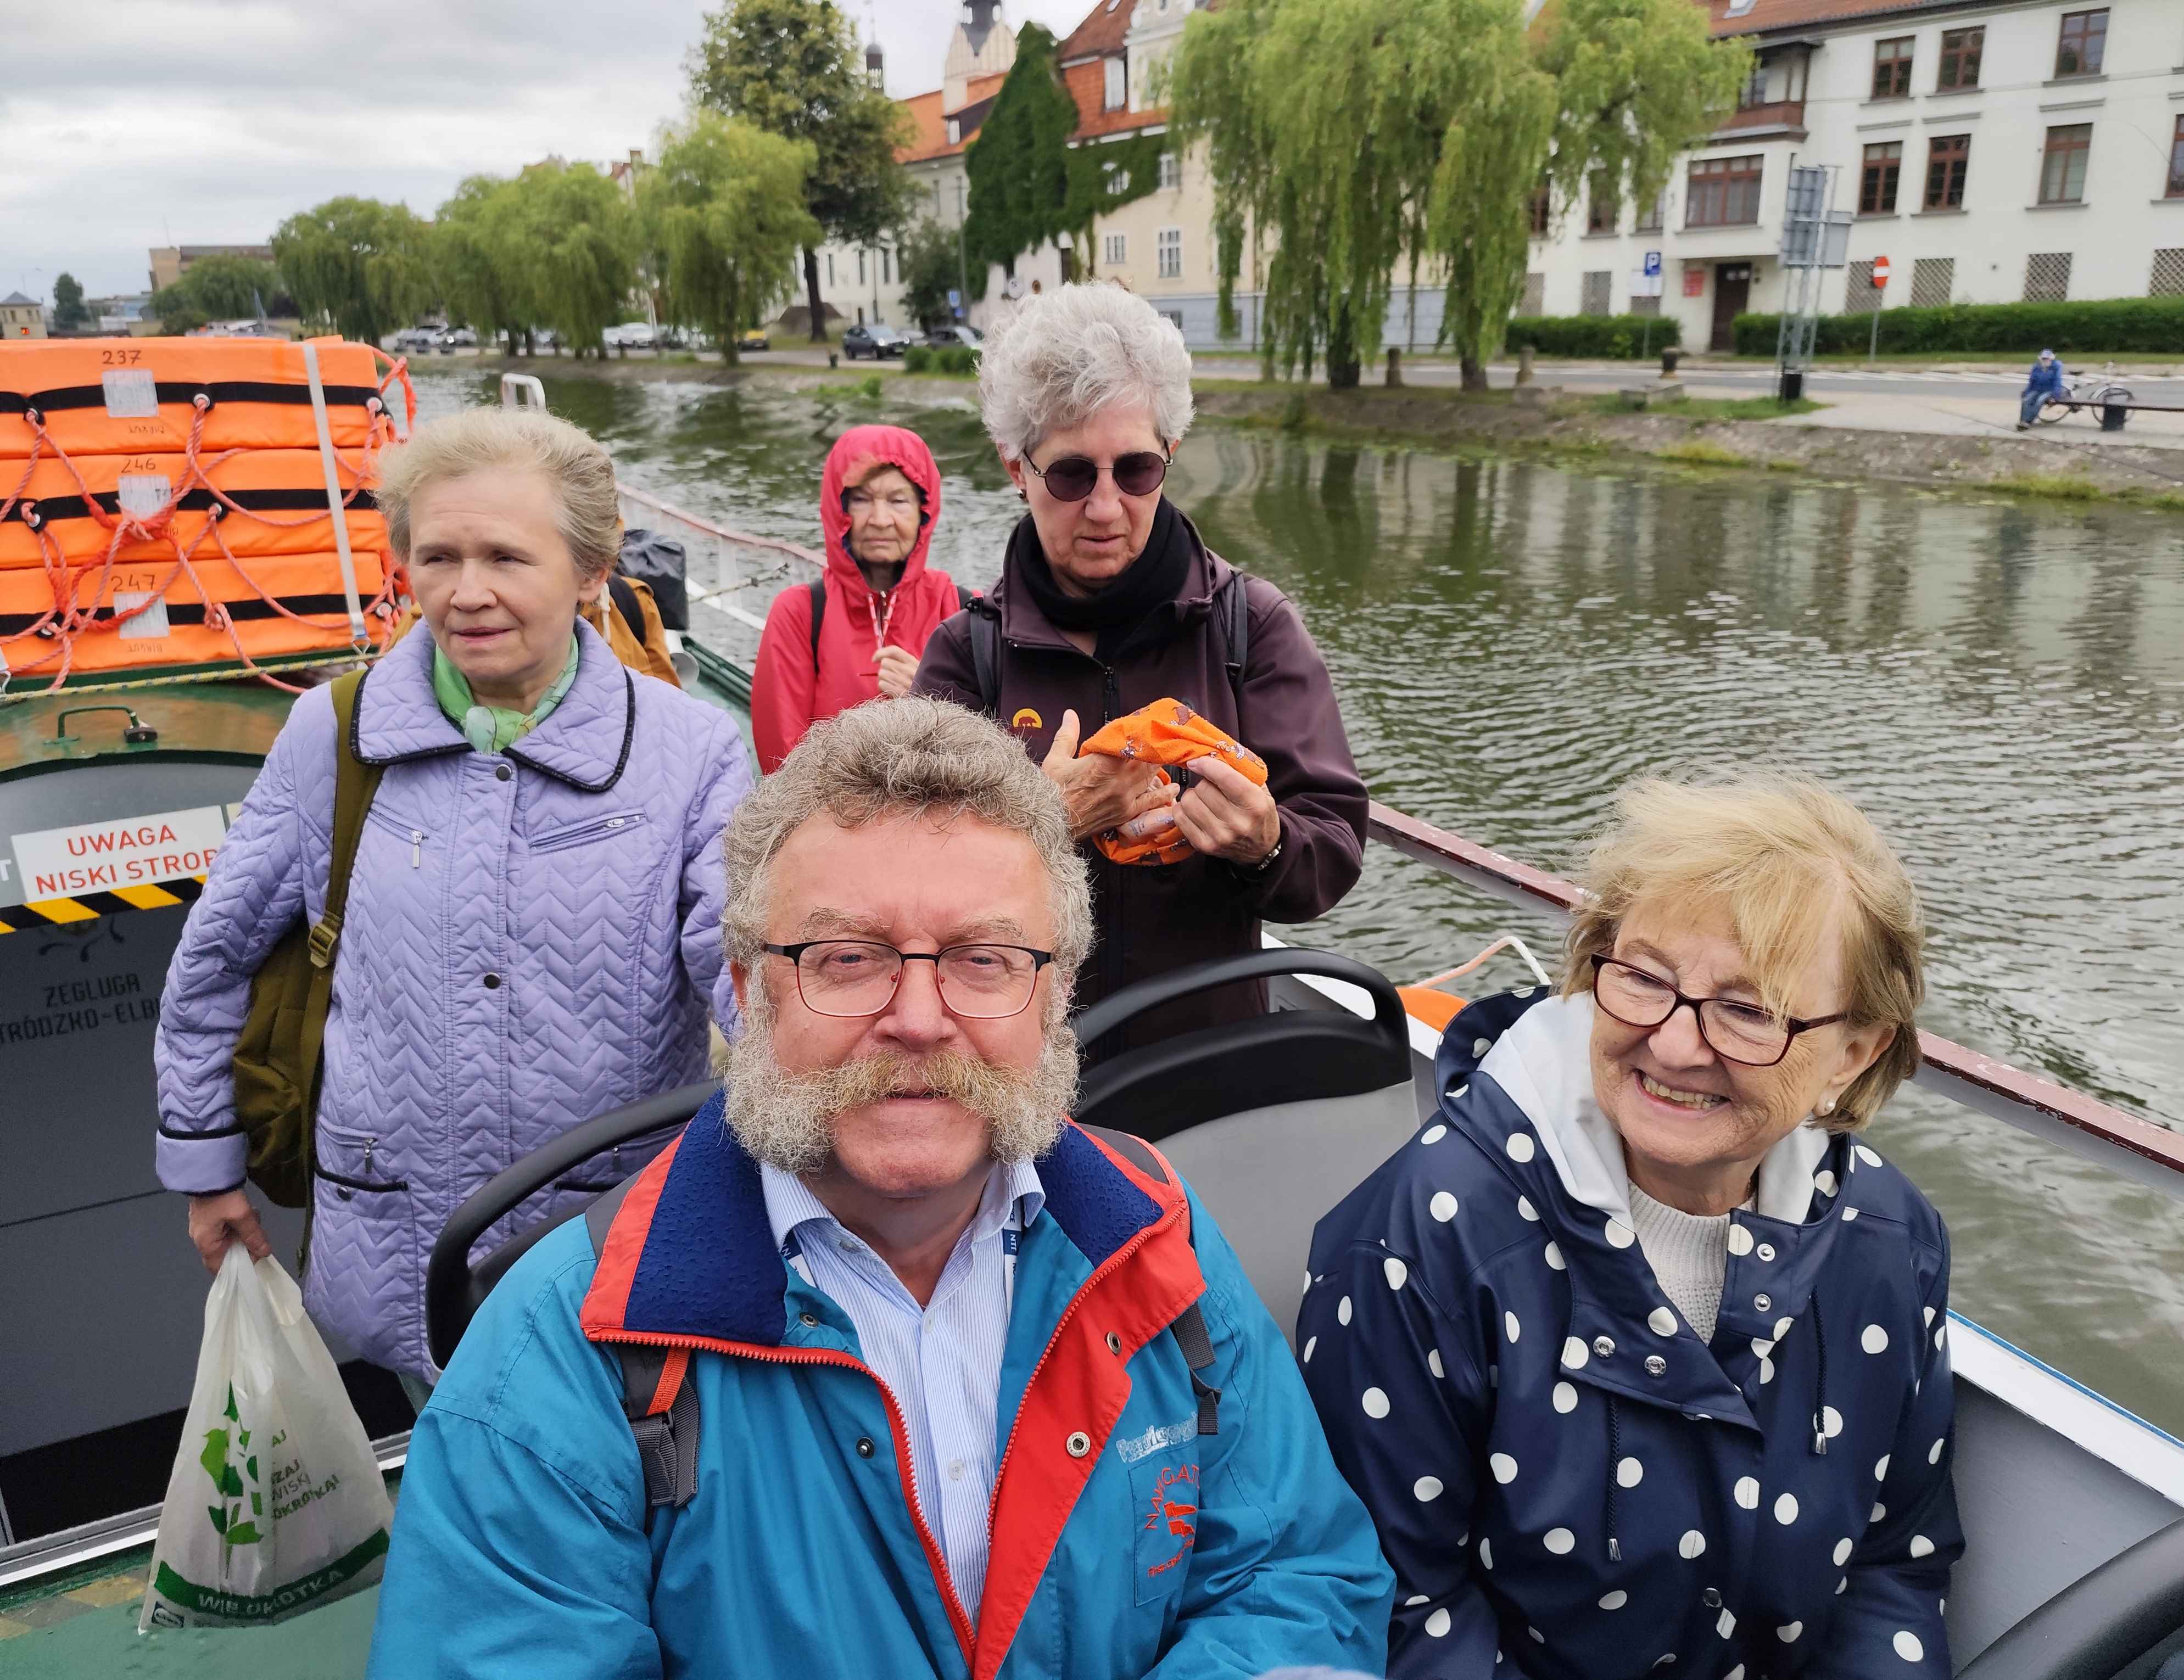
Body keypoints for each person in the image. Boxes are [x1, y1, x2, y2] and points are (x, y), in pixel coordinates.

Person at [366, 698, 1394, 1679]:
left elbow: (1295, 1577)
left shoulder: (1156, 1238)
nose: (918, 1018)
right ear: (749, 992)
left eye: (984, 959)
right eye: (848, 957)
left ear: (1052, 996)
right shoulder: (563, 1355)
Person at [1300, 773, 1963, 1679]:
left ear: (1854, 1052)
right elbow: (1402, 1607)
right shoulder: (1429, 1238)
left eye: (1748, 1011)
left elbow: (1894, 1570)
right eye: (1646, 979)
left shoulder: (1890, 1241)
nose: (1677, 1045)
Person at [155, 405, 752, 1405]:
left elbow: (747, 967)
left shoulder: (691, 752)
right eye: (437, 557)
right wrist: (207, 1167)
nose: (466, 593)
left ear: (592, 571)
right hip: (398, 1248)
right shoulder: (331, 737)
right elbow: (215, 962)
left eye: (506, 558)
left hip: (612, 1246)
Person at [915, 284, 1366, 1050]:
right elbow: (910, 883)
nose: (1104, 507)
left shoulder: (1250, 627)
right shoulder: (967, 655)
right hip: (1021, 1071)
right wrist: (1042, 824)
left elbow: (1332, 847)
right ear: (1016, 468)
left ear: (1170, 457)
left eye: (1135, 470)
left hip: (1209, 1062)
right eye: (1070, 475)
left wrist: (1266, 844)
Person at [750, 424, 962, 774]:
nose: (880, 520)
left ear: (924, 512)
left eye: (898, 501)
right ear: (838, 510)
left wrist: (929, 697)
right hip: (829, 808)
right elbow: (783, 764)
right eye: (861, 500)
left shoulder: (959, 610)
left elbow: (990, 753)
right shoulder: (800, 613)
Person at [2019, 348, 2066, 429]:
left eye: (2047, 359)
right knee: (2026, 400)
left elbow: (2057, 382)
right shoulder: (2036, 367)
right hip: (2037, 389)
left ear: (2051, 359)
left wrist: (2055, 396)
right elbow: (2032, 381)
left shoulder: (2056, 367)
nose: (2045, 360)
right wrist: (2026, 392)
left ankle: (2028, 421)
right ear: (2041, 359)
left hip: (2050, 391)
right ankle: (2023, 421)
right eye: (2044, 359)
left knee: (2039, 401)